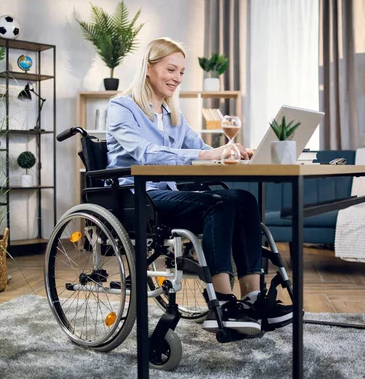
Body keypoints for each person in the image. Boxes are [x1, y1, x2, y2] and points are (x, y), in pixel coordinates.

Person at [106, 37, 292, 335]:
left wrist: (234, 152)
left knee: (243, 198)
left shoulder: (172, 115)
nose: (177, 78)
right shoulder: (122, 107)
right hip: (137, 197)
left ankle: (252, 299)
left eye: (181, 72)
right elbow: (145, 153)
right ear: (149, 68)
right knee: (220, 203)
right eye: (170, 69)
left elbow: (202, 149)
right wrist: (207, 154)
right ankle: (222, 301)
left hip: (167, 194)